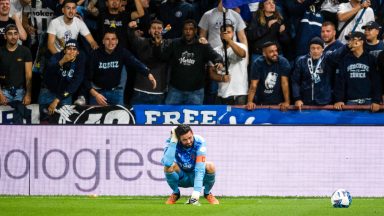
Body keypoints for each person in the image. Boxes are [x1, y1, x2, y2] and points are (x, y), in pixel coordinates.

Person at [156, 19, 223, 105]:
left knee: (195, 118)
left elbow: (216, 56)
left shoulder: (202, 45)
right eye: (185, 29)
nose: (188, 31)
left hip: (196, 92)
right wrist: (158, 46)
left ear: (195, 30)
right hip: (175, 90)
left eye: (191, 29)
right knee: (168, 116)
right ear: (182, 30)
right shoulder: (175, 43)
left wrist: (219, 62)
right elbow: (163, 57)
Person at [85, 29, 156, 106]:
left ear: (117, 41)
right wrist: (95, 95)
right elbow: (85, 78)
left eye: (113, 39)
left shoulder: (121, 52)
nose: (110, 42)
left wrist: (148, 74)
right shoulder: (94, 55)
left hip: (116, 92)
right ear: (103, 41)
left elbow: (135, 62)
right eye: (107, 39)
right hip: (98, 92)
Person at [162, 124, 219, 205]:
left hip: (196, 175)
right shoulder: (172, 142)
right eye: (184, 140)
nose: (188, 141)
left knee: (210, 166)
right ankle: (176, 193)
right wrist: (173, 141)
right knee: (168, 167)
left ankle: (207, 193)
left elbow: (200, 169)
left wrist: (195, 196)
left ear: (192, 133)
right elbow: (167, 163)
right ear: (178, 138)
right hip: (181, 177)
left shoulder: (199, 142)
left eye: (190, 138)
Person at [334, 31, 382, 112]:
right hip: (350, 103)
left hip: (369, 103)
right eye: (349, 40)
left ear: (361, 42)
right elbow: (340, 82)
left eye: (353, 40)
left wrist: (376, 100)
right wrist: (339, 99)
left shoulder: (371, 59)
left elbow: (376, 82)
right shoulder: (344, 60)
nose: (350, 42)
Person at [128, 19, 170, 105]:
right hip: (140, 90)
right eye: (154, 28)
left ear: (163, 31)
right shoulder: (141, 42)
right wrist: (131, 29)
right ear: (149, 30)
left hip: (158, 92)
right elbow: (131, 38)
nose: (156, 30)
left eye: (159, 28)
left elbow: (160, 57)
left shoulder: (168, 44)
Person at [39, 39, 85, 116]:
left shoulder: (79, 63)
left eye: (74, 49)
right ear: (64, 51)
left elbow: (74, 85)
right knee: (42, 120)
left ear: (78, 52)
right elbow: (47, 75)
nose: (71, 51)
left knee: (64, 120)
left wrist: (57, 99)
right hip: (48, 91)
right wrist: (61, 62)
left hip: (64, 95)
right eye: (69, 49)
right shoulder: (56, 57)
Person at [208, 24, 248, 105]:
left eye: (229, 32)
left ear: (233, 33)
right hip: (222, 93)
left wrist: (229, 41)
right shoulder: (215, 51)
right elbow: (211, 73)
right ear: (220, 35)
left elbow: (242, 54)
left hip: (239, 93)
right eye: (223, 33)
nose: (225, 34)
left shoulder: (242, 46)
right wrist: (222, 78)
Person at [246, 41, 290, 111]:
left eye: (276, 51)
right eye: (271, 52)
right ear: (264, 54)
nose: (275, 53)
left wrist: (287, 102)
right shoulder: (257, 63)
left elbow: (284, 83)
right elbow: (254, 85)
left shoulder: (283, 62)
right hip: (261, 102)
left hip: (278, 103)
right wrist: (250, 102)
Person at [0, 24, 32, 106]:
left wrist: (28, 94)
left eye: (15, 33)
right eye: (10, 34)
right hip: (3, 92)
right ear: (5, 36)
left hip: (20, 92)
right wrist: (0, 94)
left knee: (20, 118)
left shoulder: (25, 51)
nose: (13, 36)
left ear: (18, 35)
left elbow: (28, 75)